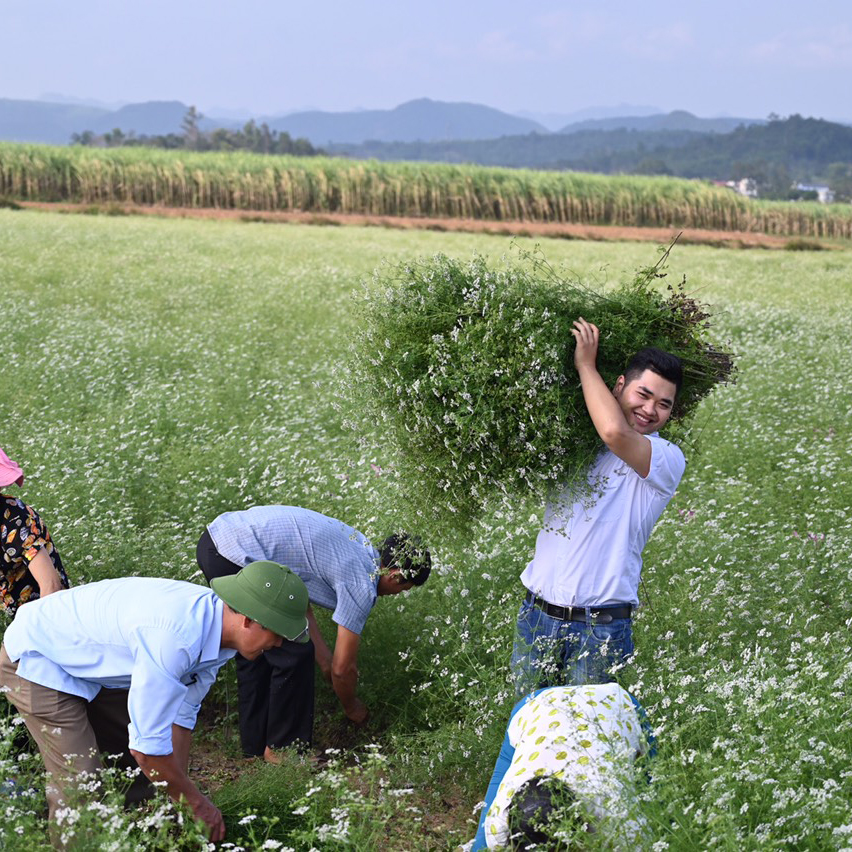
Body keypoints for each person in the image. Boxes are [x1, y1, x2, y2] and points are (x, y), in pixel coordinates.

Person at [0, 560, 309, 842]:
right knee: (83, 778)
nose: (279, 644)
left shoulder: (220, 636)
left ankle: (153, 837)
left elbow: (180, 718)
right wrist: (197, 803)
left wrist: (182, 799)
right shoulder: (177, 638)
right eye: (278, 634)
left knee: (138, 764)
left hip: (95, 663)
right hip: (39, 658)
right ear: (248, 621)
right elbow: (147, 750)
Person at [512, 320, 686, 693]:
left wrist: (585, 365)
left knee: (590, 743)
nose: (650, 410)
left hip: (599, 629)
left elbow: (614, 432)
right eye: (643, 394)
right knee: (523, 731)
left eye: (663, 405)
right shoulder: (573, 443)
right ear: (619, 386)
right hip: (536, 616)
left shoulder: (665, 458)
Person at [196, 505, 431, 760]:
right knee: (293, 653)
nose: (399, 594)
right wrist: (352, 706)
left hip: (220, 539)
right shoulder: (361, 582)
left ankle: (254, 748)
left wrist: (325, 661)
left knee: (257, 650)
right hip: (233, 553)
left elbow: (295, 605)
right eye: (405, 588)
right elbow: (344, 669)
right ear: (396, 576)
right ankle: (283, 752)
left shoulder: (361, 548)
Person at [472, 682, 654, 850]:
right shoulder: (498, 824)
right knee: (480, 846)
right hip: (534, 708)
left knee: (658, 803)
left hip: (616, 704)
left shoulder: (619, 822)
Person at [0, 446, 70, 617]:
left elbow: (51, 585)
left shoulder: (15, 519)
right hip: (20, 620)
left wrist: (30, 635)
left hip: (49, 616)